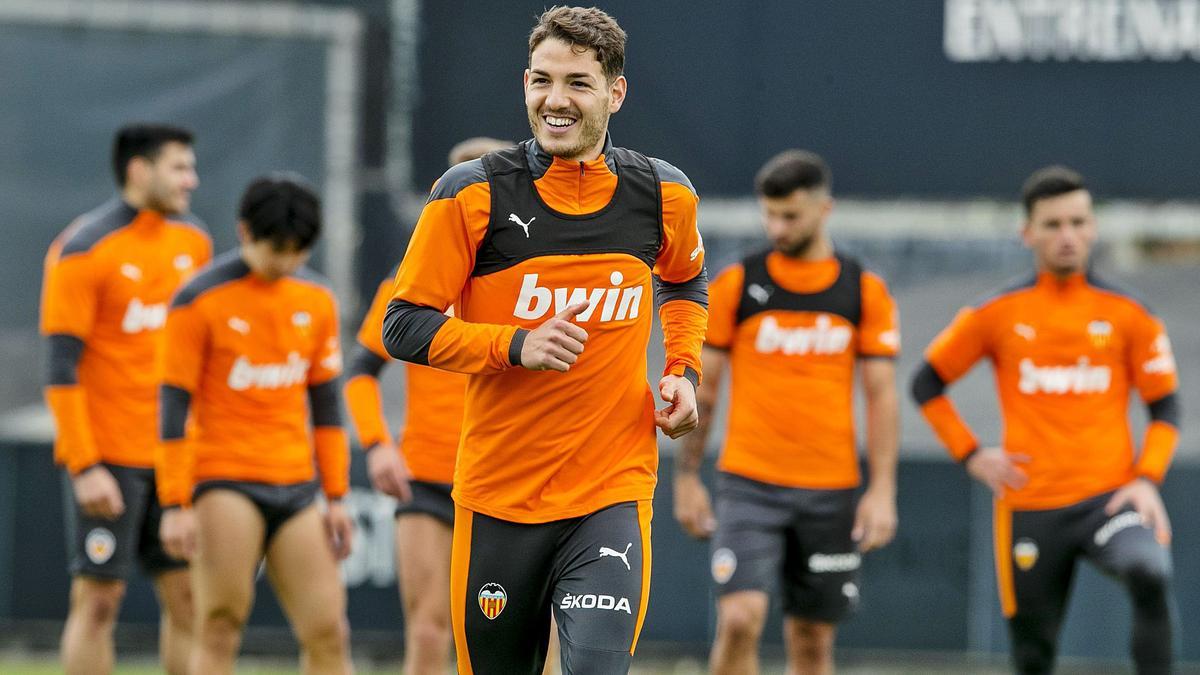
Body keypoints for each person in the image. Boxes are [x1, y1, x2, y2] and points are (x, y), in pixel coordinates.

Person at [381, 7, 708, 673]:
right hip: (498, 497)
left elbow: (685, 282)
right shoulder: (470, 194)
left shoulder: (661, 193)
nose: (555, 101)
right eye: (541, 80)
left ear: (615, 92)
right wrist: (512, 345)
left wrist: (684, 371)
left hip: (610, 491)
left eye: (578, 84)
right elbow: (403, 324)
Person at [911, 166, 1180, 675]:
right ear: (1027, 232)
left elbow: (1165, 406)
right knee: (1033, 655)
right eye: (1053, 224)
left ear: (1093, 227)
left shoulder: (1129, 314)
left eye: (1078, 222)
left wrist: (1148, 478)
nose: (1067, 236)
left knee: (1150, 569)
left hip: (1110, 500)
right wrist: (972, 454)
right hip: (1030, 506)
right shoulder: (996, 313)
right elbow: (925, 384)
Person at [674, 150, 900, 675]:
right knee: (739, 619)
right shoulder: (737, 284)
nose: (777, 227)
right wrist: (686, 477)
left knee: (812, 639)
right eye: (769, 214)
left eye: (790, 216)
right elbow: (703, 390)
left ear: (825, 209)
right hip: (749, 484)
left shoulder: (862, 291)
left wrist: (883, 490)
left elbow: (881, 395)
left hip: (831, 491)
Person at [155, 175, 354, 675]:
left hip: (296, 484)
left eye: (299, 252)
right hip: (225, 479)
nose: (287, 262)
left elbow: (327, 409)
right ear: (245, 232)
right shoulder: (198, 299)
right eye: (277, 250)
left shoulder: (317, 300)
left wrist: (336, 497)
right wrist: (175, 503)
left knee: (328, 628)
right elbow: (173, 409)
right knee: (220, 622)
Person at [40, 123, 210, 675]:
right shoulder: (84, 250)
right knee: (98, 602)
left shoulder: (194, 242)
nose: (192, 179)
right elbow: (60, 369)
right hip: (109, 457)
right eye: (179, 167)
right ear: (139, 170)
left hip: (176, 456)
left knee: (189, 600)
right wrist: (85, 464)